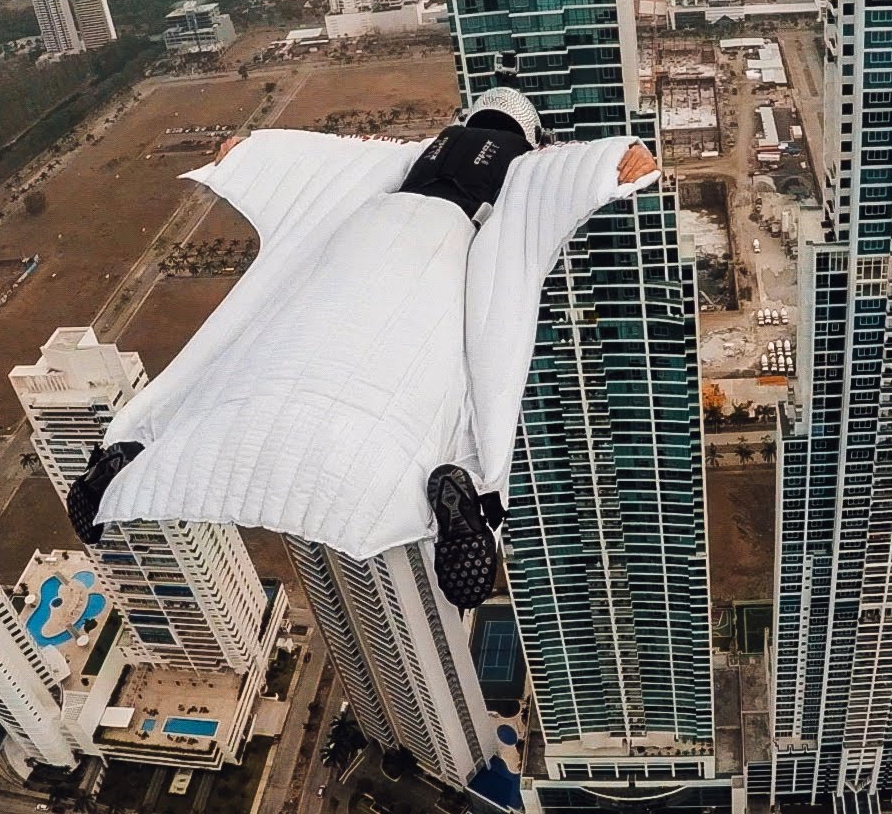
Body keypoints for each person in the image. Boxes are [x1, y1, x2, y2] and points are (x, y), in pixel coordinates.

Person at [67, 88, 658, 606]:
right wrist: (623, 164)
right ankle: (459, 488)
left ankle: (134, 454)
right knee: (447, 375)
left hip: (364, 233)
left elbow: (326, 157)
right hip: (442, 248)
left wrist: (248, 154)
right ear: (526, 130)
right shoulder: (527, 162)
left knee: (267, 338)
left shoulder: (416, 152)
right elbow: (571, 174)